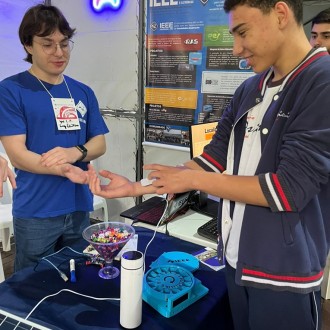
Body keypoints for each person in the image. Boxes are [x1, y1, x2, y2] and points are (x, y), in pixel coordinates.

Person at [86, 1, 330, 329]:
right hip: (235, 261)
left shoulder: (320, 81)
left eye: (243, 32)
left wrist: (192, 182)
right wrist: (135, 187)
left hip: (283, 274)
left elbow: (288, 189)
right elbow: (209, 162)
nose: (236, 48)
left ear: (281, 14)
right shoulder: (250, 89)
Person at [0, 4, 109, 272]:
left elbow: (99, 143)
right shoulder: (12, 90)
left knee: (77, 276)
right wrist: (63, 169)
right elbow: (18, 154)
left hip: (79, 206)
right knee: (32, 283)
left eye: (64, 43)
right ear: (28, 45)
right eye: (47, 44)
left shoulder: (82, 92)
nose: (59, 52)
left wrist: (74, 153)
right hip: (37, 210)